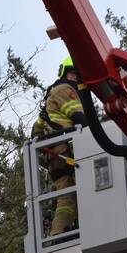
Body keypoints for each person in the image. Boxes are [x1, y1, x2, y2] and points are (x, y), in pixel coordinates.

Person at [32, 56, 87, 237]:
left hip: (55, 157)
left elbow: (36, 131)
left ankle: (59, 236)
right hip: (67, 153)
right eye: (73, 73)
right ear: (64, 73)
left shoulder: (49, 97)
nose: (76, 78)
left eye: (79, 75)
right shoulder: (65, 89)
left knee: (67, 201)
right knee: (93, 187)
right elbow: (80, 118)